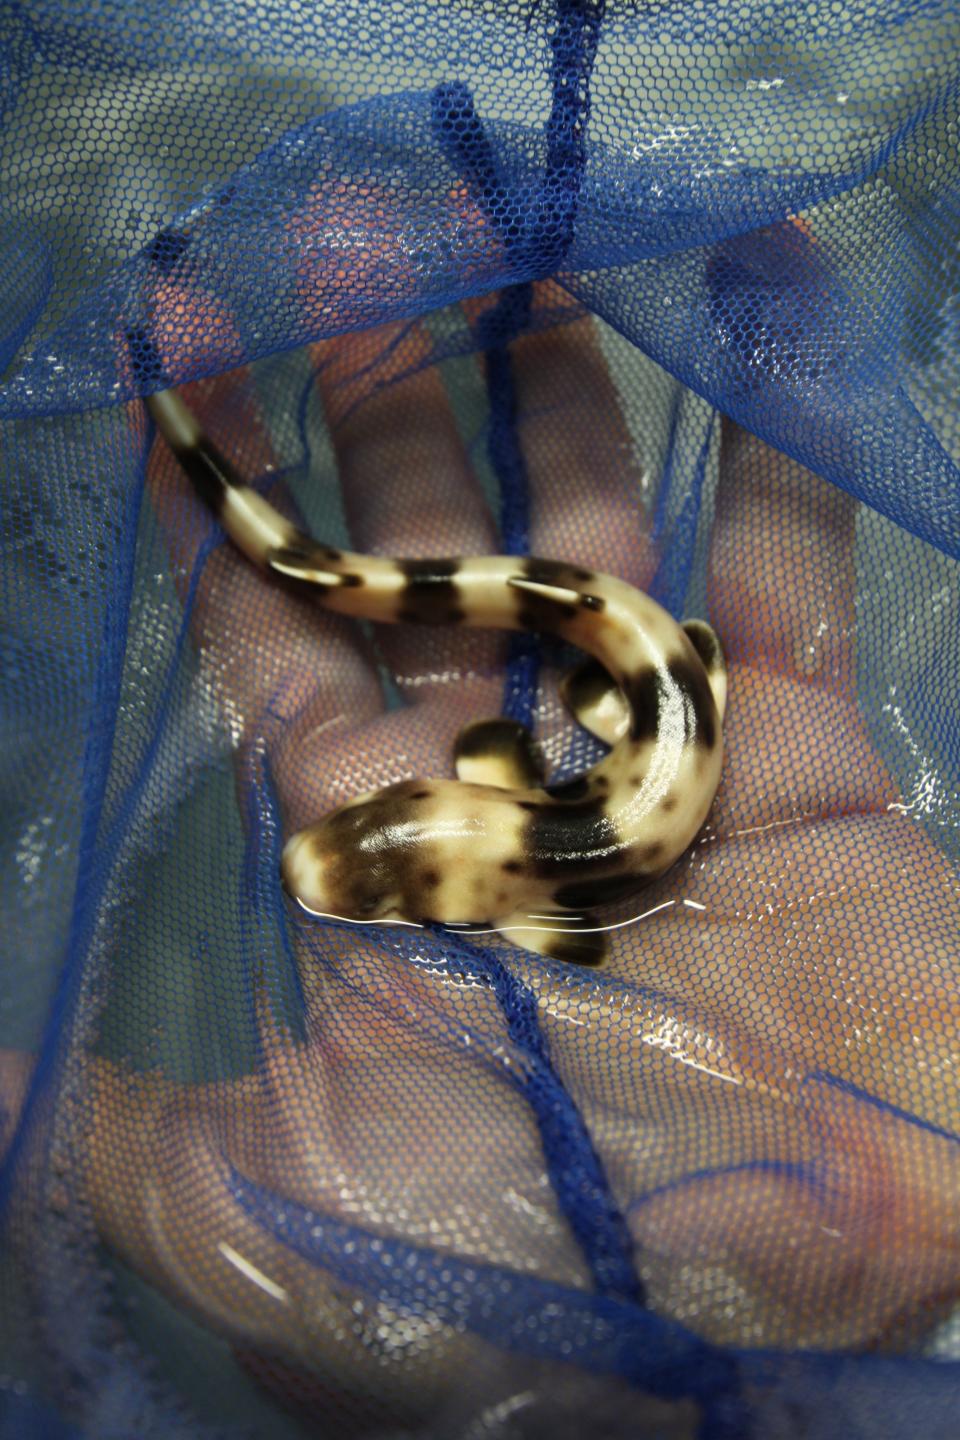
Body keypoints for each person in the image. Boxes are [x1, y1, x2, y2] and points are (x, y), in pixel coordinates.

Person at [2, 285, 959, 1428]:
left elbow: (577, 924)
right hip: (645, 676)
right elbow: (563, 902)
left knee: (342, 568)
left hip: (646, 674)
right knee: (339, 568)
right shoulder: (528, 858)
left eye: (384, 861)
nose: (356, 860)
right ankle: (249, 490)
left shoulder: (543, 878)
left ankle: (232, 474)